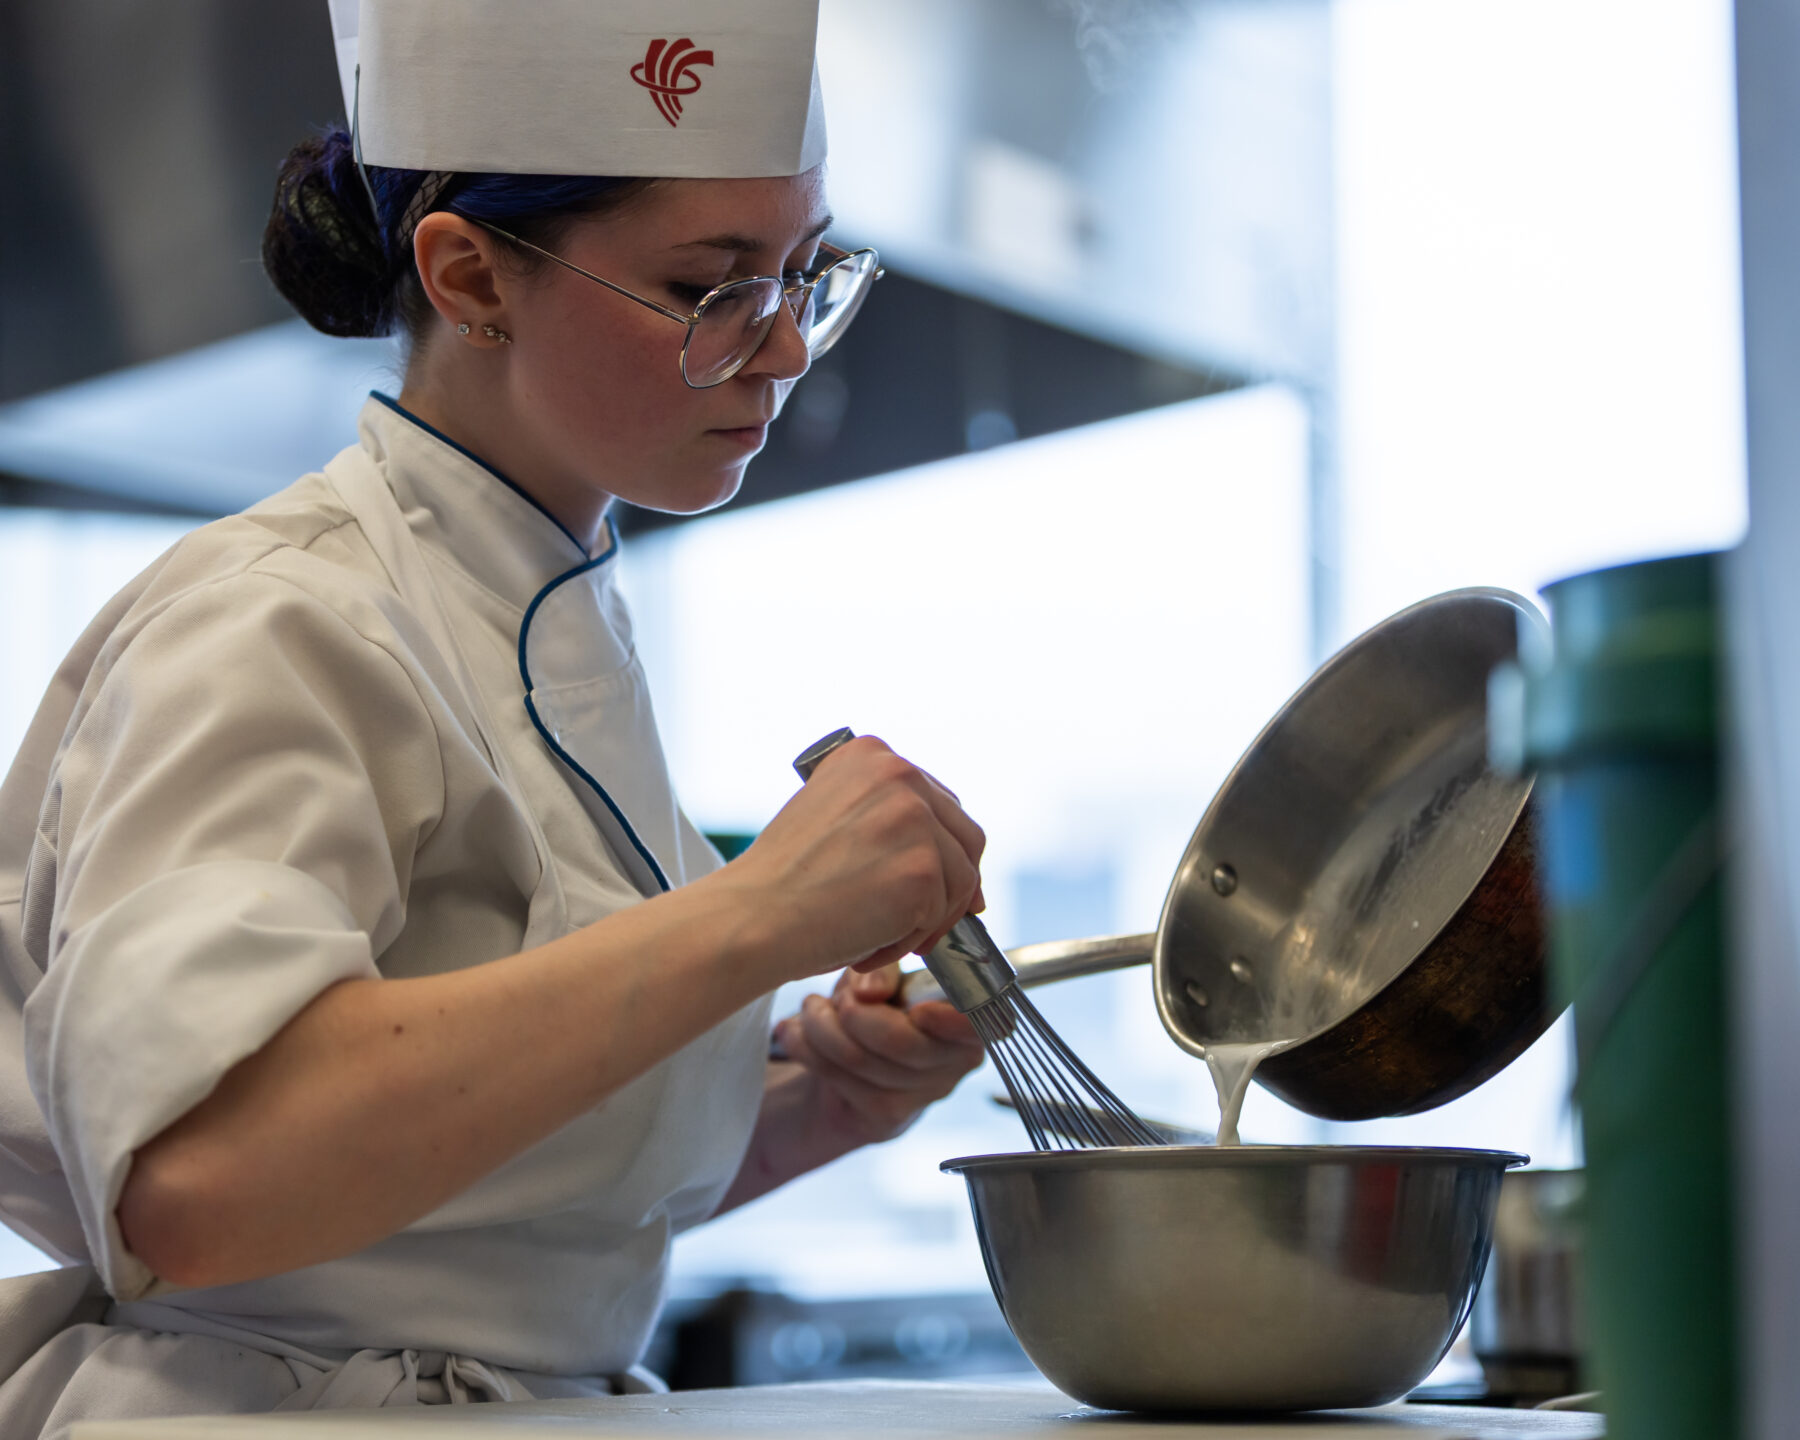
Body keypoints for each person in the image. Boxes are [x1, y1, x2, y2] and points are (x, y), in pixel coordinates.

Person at [0, 1, 988, 1432]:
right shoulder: (283, 617)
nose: (780, 353)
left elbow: (474, 1227)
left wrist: (814, 1109)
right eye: (713, 288)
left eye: (804, 275)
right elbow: (200, 1182)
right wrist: (757, 915)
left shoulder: (557, 623)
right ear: (471, 280)